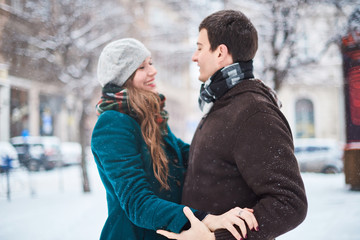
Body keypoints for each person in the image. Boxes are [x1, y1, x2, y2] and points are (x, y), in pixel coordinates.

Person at [91, 38, 259, 240]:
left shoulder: (151, 117)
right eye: (141, 67)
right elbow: (138, 203)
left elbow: (191, 157)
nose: (153, 71)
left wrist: (238, 160)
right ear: (123, 77)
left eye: (150, 63)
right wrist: (207, 219)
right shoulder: (113, 124)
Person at [179, 10, 307, 240]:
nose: (194, 57)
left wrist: (216, 238)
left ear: (220, 52)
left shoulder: (253, 112)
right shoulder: (223, 103)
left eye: (199, 47)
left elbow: (289, 202)